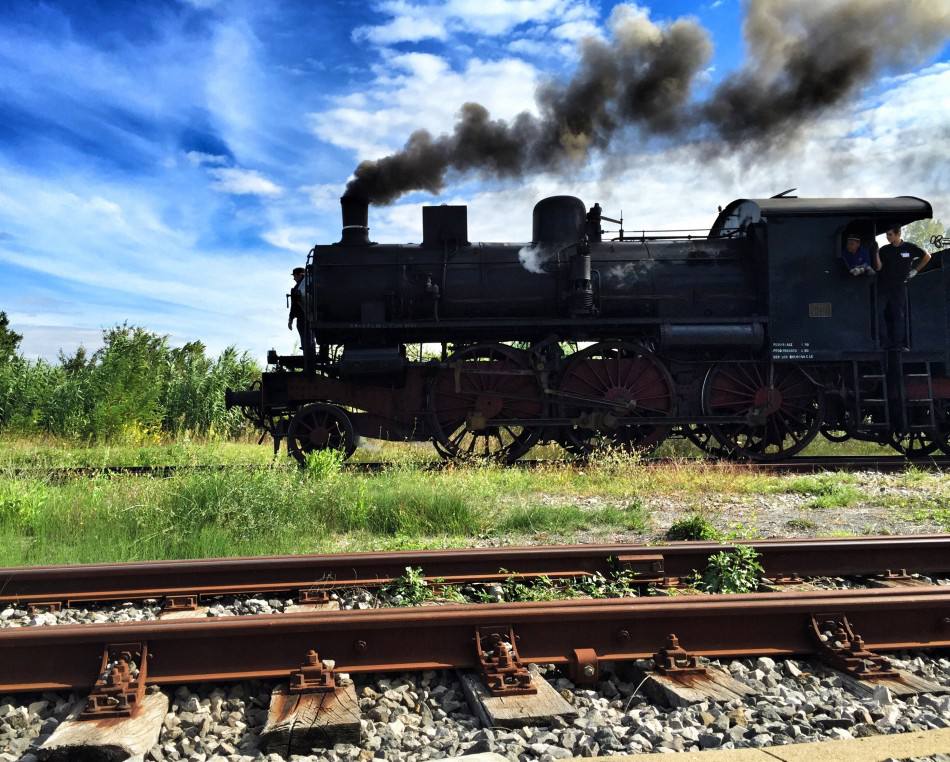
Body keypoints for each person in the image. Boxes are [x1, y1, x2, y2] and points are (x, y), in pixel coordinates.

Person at [872, 226, 931, 349]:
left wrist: (915, 270)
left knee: (898, 314)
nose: (888, 237)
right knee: (879, 312)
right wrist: (876, 253)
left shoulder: (910, 247)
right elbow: (878, 267)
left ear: (898, 233)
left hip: (899, 286)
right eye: (887, 235)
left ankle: (898, 344)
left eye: (890, 234)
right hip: (883, 286)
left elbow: (927, 256)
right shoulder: (884, 249)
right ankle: (884, 342)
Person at [288, 267, 309, 353]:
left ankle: (307, 350)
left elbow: (294, 305)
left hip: (303, 316)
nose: (294, 278)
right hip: (314, 316)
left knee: (304, 331)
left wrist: (290, 319)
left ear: (300, 275)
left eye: (295, 276)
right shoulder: (311, 282)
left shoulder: (298, 287)